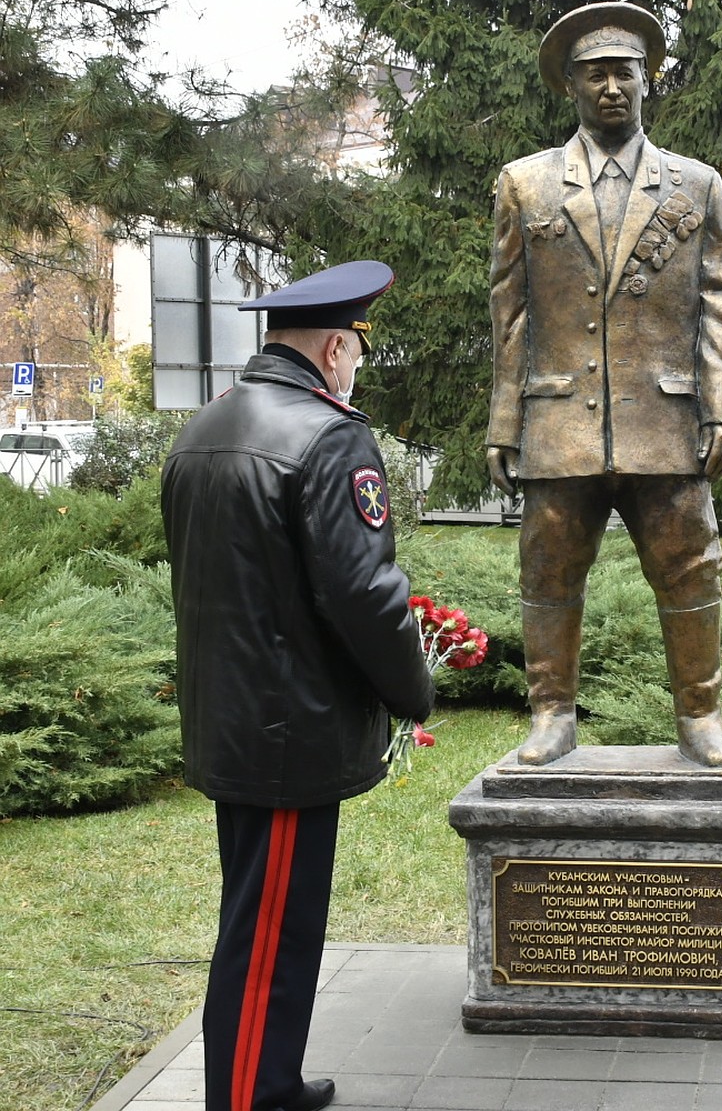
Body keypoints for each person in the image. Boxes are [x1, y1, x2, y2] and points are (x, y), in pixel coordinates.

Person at [161, 260, 435, 1111]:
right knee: (269, 935)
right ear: (333, 346)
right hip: (288, 731)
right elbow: (364, 592)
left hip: (232, 717)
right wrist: (412, 689)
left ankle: (269, 1079)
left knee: (265, 922)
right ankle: (246, 1100)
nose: (354, 367)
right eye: (355, 351)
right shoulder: (328, 436)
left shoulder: (206, 427)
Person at [486, 1, 722, 768]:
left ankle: (701, 717)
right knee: (547, 565)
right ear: (569, 85)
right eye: (595, 74)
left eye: (624, 73)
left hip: (665, 418)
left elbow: (719, 302)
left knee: (690, 565)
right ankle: (551, 714)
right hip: (559, 414)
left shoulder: (696, 186)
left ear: (647, 82)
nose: (611, 87)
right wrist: (505, 421)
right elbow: (509, 310)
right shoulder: (526, 184)